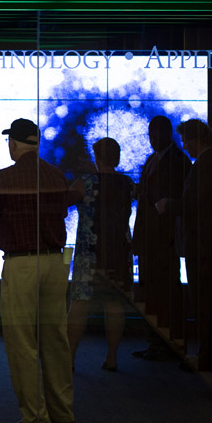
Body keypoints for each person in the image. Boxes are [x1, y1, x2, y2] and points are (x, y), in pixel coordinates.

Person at [0, 118, 77, 423]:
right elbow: (62, 211)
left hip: (22, 263)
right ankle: (63, 414)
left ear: (14, 144)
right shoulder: (56, 174)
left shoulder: (6, 177)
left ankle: (36, 417)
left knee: (22, 342)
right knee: (55, 341)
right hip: (55, 262)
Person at [157, 119, 212, 372]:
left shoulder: (207, 165)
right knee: (206, 305)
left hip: (204, 247)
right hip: (208, 246)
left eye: (186, 141)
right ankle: (208, 357)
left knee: (205, 306)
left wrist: (168, 205)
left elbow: (193, 204)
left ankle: (207, 359)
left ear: (195, 140)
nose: (185, 147)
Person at [68, 137, 135, 372]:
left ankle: (70, 359)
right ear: (117, 157)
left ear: (96, 158)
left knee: (79, 304)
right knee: (114, 304)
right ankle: (112, 358)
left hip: (89, 253)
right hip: (118, 252)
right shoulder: (127, 183)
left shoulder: (84, 183)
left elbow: (64, 202)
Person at [132, 115, 191, 358]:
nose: (153, 139)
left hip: (164, 238)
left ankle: (169, 342)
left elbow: (179, 201)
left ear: (168, 134)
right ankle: (156, 342)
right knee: (151, 292)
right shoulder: (152, 159)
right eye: (150, 135)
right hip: (149, 238)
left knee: (166, 292)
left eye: (157, 134)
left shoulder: (179, 161)